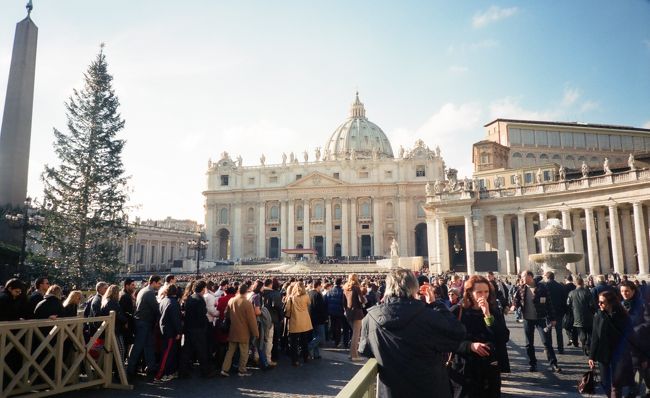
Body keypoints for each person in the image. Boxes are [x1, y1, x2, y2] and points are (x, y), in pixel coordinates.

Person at [359, 268, 466, 397]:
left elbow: (366, 351)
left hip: (393, 391)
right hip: (431, 389)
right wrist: (435, 304)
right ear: (415, 288)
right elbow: (457, 333)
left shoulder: (370, 318)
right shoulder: (429, 316)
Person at [449, 276, 510, 397]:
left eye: (486, 291)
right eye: (479, 292)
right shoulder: (458, 311)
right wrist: (469, 346)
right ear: (470, 293)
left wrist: (487, 315)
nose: (483, 295)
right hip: (465, 369)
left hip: (488, 369)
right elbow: (447, 339)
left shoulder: (493, 310)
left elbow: (503, 337)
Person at [511, 270, 561, 373]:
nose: (521, 279)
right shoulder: (521, 287)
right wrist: (513, 306)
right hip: (527, 319)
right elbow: (516, 300)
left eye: (523, 276)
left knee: (546, 342)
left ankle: (553, 364)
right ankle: (532, 364)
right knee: (529, 343)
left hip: (541, 318)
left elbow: (549, 303)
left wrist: (552, 318)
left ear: (530, 276)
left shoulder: (542, 287)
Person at [589, 290, 634, 397]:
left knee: (616, 384)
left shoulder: (622, 316)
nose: (599, 304)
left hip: (618, 354)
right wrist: (591, 356)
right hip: (603, 353)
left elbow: (630, 335)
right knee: (605, 382)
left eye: (602, 302)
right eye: (598, 302)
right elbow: (595, 337)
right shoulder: (598, 316)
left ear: (611, 302)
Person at [127, 275, 162, 378]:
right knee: (139, 347)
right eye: (159, 283)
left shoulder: (143, 290)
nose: (160, 285)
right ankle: (130, 370)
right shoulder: (149, 293)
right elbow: (156, 309)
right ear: (153, 282)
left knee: (148, 346)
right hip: (144, 323)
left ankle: (151, 368)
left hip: (142, 322)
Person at [179, 280, 215, 378]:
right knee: (202, 351)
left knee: (187, 351)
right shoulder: (200, 299)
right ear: (203, 289)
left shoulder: (190, 297)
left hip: (189, 327)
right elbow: (202, 315)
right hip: (198, 329)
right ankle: (205, 372)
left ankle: (182, 371)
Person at [221, 283, 258, 377]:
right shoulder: (247, 303)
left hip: (233, 330)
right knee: (244, 352)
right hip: (244, 331)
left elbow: (227, 314)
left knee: (230, 351)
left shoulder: (231, 300)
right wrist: (256, 332)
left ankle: (224, 369)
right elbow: (251, 320)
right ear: (246, 292)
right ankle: (242, 370)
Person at [156, 284, 182, 381]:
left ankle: (169, 372)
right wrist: (179, 331)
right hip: (171, 331)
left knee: (168, 352)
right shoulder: (174, 303)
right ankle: (163, 374)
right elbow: (176, 320)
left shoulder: (163, 300)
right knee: (168, 353)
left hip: (164, 329)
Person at [285, 281, 313, 366]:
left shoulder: (291, 298)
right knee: (304, 340)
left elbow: (288, 310)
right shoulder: (306, 296)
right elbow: (309, 304)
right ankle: (305, 357)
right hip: (304, 321)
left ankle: (295, 360)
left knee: (294, 342)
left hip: (295, 321)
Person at [566, 277, 595, 356]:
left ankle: (584, 345)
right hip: (588, 316)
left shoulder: (571, 293)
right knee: (589, 333)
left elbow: (568, 304)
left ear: (576, 283)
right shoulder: (587, 292)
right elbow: (592, 305)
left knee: (581, 333)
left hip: (577, 316)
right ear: (582, 283)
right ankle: (588, 345)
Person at [99, 284, 128, 360]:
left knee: (109, 351)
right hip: (115, 329)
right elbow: (117, 315)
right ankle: (120, 369)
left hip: (109, 328)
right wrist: (125, 320)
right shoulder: (112, 302)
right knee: (121, 350)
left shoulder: (105, 301)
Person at [543, 271, 568, 354]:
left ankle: (549, 348)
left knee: (548, 331)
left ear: (547, 277)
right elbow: (564, 299)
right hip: (559, 312)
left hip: (548, 312)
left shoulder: (545, 286)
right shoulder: (560, 286)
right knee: (559, 331)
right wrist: (564, 310)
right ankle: (560, 348)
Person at [343, 273, 366, 361]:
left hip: (348, 312)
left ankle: (351, 354)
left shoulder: (345, 288)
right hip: (357, 312)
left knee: (354, 334)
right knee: (356, 335)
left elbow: (343, 302)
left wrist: (346, 310)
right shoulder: (356, 287)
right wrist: (364, 299)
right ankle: (354, 355)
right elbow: (361, 300)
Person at [324, 277, 349, 349]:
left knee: (333, 326)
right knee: (338, 327)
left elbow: (326, 302)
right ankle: (337, 341)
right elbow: (344, 302)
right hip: (339, 312)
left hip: (331, 312)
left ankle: (334, 340)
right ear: (341, 283)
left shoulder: (329, 291)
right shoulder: (342, 291)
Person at [308, 279, 328, 359]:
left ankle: (316, 354)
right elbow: (321, 308)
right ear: (318, 286)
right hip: (318, 319)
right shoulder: (318, 295)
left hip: (311, 318)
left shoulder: (309, 293)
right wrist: (325, 318)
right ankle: (307, 348)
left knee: (315, 336)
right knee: (320, 337)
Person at [119, 278, 137, 352]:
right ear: (127, 286)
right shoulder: (125, 296)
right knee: (127, 345)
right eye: (132, 285)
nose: (134, 286)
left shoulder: (125, 295)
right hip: (126, 325)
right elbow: (125, 311)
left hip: (126, 324)